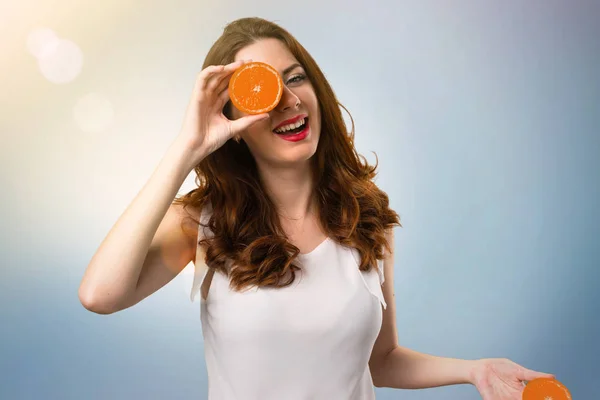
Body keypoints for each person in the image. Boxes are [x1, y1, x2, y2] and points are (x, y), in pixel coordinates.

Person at [79, 17, 555, 400]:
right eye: (261, 91)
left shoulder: (365, 218)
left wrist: (475, 371)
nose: (288, 100)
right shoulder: (201, 222)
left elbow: (381, 361)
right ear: (233, 121)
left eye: (296, 77)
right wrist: (187, 147)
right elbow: (100, 295)